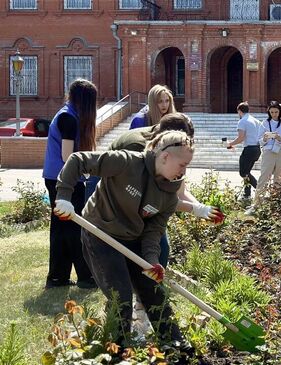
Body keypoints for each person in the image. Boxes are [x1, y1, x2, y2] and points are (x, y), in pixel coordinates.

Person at [53, 130, 194, 348]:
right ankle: (117, 349)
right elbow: (78, 159)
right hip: (100, 233)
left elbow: (153, 233)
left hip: (133, 238)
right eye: (182, 164)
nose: (184, 171)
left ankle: (174, 343)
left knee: (154, 290)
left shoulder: (168, 197)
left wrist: (151, 260)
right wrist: (63, 196)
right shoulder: (126, 162)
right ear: (165, 157)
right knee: (121, 295)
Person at [110, 112, 222, 267]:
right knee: (128, 243)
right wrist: (195, 209)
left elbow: (179, 192)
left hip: (140, 196)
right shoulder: (138, 149)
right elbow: (155, 198)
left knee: (161, 249)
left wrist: (203, 209)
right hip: (114, 189)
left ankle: (151, 286)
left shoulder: (175, 152)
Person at [42, 79, 97, 289]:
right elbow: (68, 156)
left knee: (61, 229)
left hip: (56, 177)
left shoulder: (66, 114)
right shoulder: (69, 118)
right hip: (63, 180)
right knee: (75, 227)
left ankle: (57, 277)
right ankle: (85, 276)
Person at [245, 101, 281, 215]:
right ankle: (257, 204)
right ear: (269, 112)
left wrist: (279, 138)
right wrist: (265, 138)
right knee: (264, 177)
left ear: (280, 112)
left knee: (279, 178)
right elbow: (259, 140)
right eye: (272, 112)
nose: (274, 114)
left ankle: (276, 204)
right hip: (268, 151)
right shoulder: (264, 123)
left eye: (276, 112)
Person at [227, 101, 262, 200]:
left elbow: (241, 137)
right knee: (247, 172)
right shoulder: (256, 121)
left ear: (239, 111)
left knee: (243, 173)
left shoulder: (242, 121)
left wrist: (230, 144)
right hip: (257, 148)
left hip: (249, 149)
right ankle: (247, 194)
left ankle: (260, 190)